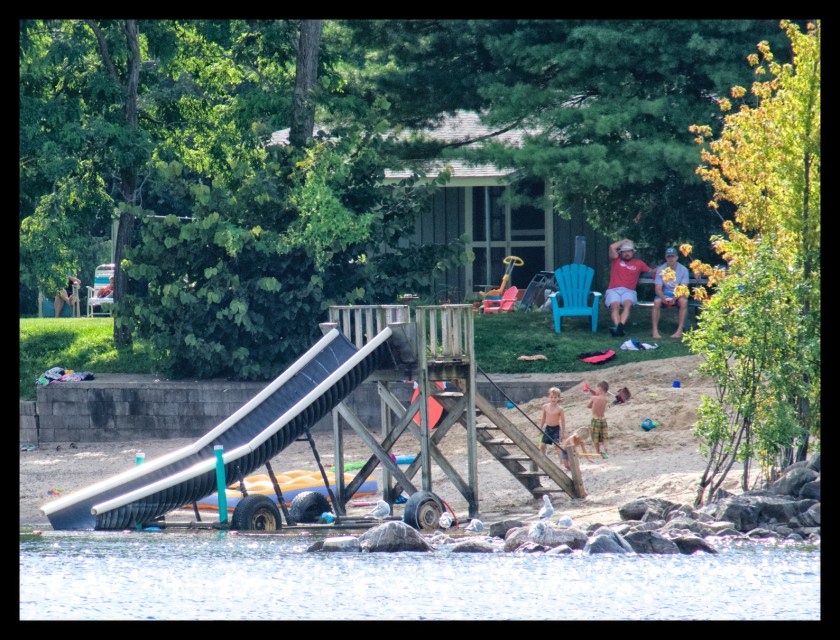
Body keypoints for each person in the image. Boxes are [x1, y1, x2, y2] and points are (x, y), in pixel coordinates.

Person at [604, 239, 652, 337]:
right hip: (613, 289)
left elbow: (652, 272)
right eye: (624, 251)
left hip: (629, 290)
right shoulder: (616, 260)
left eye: (629, 251)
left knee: (628, 304)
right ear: (620, 253)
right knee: (615, 306)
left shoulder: (639, 263)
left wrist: (662, 269)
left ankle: (618, 329)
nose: (627, 253)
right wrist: (625, 240)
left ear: (633, 252)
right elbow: (612, 247)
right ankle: (619, 328)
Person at [652, 247, 690, 339]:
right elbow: (658, 288)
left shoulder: (683, 270)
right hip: (665, 293)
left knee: (684, 302)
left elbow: (683, 288)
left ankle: (679, 330)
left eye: (672, 256)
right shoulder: (661, 269)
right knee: (656, 302)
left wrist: (674, 298)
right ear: (666, 258)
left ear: (676, 257)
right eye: (668, 257)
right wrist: (663, 297)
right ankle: (655, 331)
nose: (670, 259)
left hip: (679, 294)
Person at [538, 387, 567, 467]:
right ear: (548, 397)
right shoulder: (545, 406)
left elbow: (563, 421)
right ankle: (543, 459)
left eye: (555, 397)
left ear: (558, 398)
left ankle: (561, 461)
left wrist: (562, 433)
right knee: (542, 445)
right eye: (551, 397)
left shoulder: (560, 409)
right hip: (548, 428)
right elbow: (543, 418)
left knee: (556, 445)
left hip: (556, 428)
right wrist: (540, 428)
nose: (553, 399)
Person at [587, 380, 610, 459]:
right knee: (604, 437)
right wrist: (592, 392)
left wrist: (593, 396)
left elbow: (588, 406)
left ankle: (598, 452)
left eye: (596, 389)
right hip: (603, 419)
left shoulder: (594, 398)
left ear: (599, 390)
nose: (595, 390)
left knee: (595, 437)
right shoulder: (605, 399)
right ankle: (606, 450)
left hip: (595, 420)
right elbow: (598, 396)